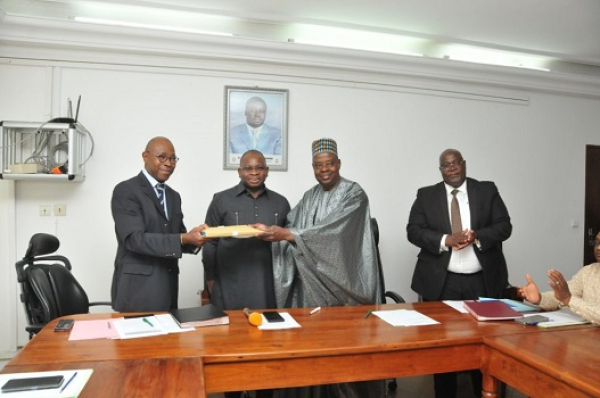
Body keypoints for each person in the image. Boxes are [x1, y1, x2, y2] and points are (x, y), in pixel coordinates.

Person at [254, 138, 384, 398]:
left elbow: (336, 234)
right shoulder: (310, 196)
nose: (324, 170)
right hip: (312, 288)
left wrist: (289, 235)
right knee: (313, 352)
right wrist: (269, 231)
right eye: (318, 165)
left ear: (339, 164)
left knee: (346, 358)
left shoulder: (354, 193)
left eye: (329, 164)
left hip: (345, 289)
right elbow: (290, 224)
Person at [406, 148, 512, 398]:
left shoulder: (486, 190)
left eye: (456, 163)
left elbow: (504, 226)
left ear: (464, 165)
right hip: (442, 284)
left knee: (484, 349)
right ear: (440, 170)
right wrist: (446, 240)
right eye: (446, 165)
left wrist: (478, 236)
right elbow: (413, 230)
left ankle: (484, 393)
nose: (452, 168)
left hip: (481, 283)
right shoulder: (426, 195)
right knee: (443, 351)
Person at [202, 149, 289, 398]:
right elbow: (209, 242)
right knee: (230, 351)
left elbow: (290, 245)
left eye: (259, 168)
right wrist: (211, 280)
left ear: (267, 171)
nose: (254, 173)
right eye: (248, 168)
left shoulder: (281, 203)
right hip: (230, 287)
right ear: (239, 171)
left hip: (269, 288)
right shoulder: (221, 200)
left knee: (267, 351)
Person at [111, 136, 209, 312]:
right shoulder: (126, 191)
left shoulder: (173, 196)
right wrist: (184, 238)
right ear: (145, 156)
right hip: (137, 290)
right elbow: (134, 239)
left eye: (173, 158)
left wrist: (199, 238)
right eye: (162, 157)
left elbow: (177, 236)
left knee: (169, 340)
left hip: (168, 288)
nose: (169, 163)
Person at [518, 232, 600, 324]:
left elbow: (568, 298)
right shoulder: (588, 271)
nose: (598, 248)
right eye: (597, 243)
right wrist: (540, 298)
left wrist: (569, 299)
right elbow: (562, 296)